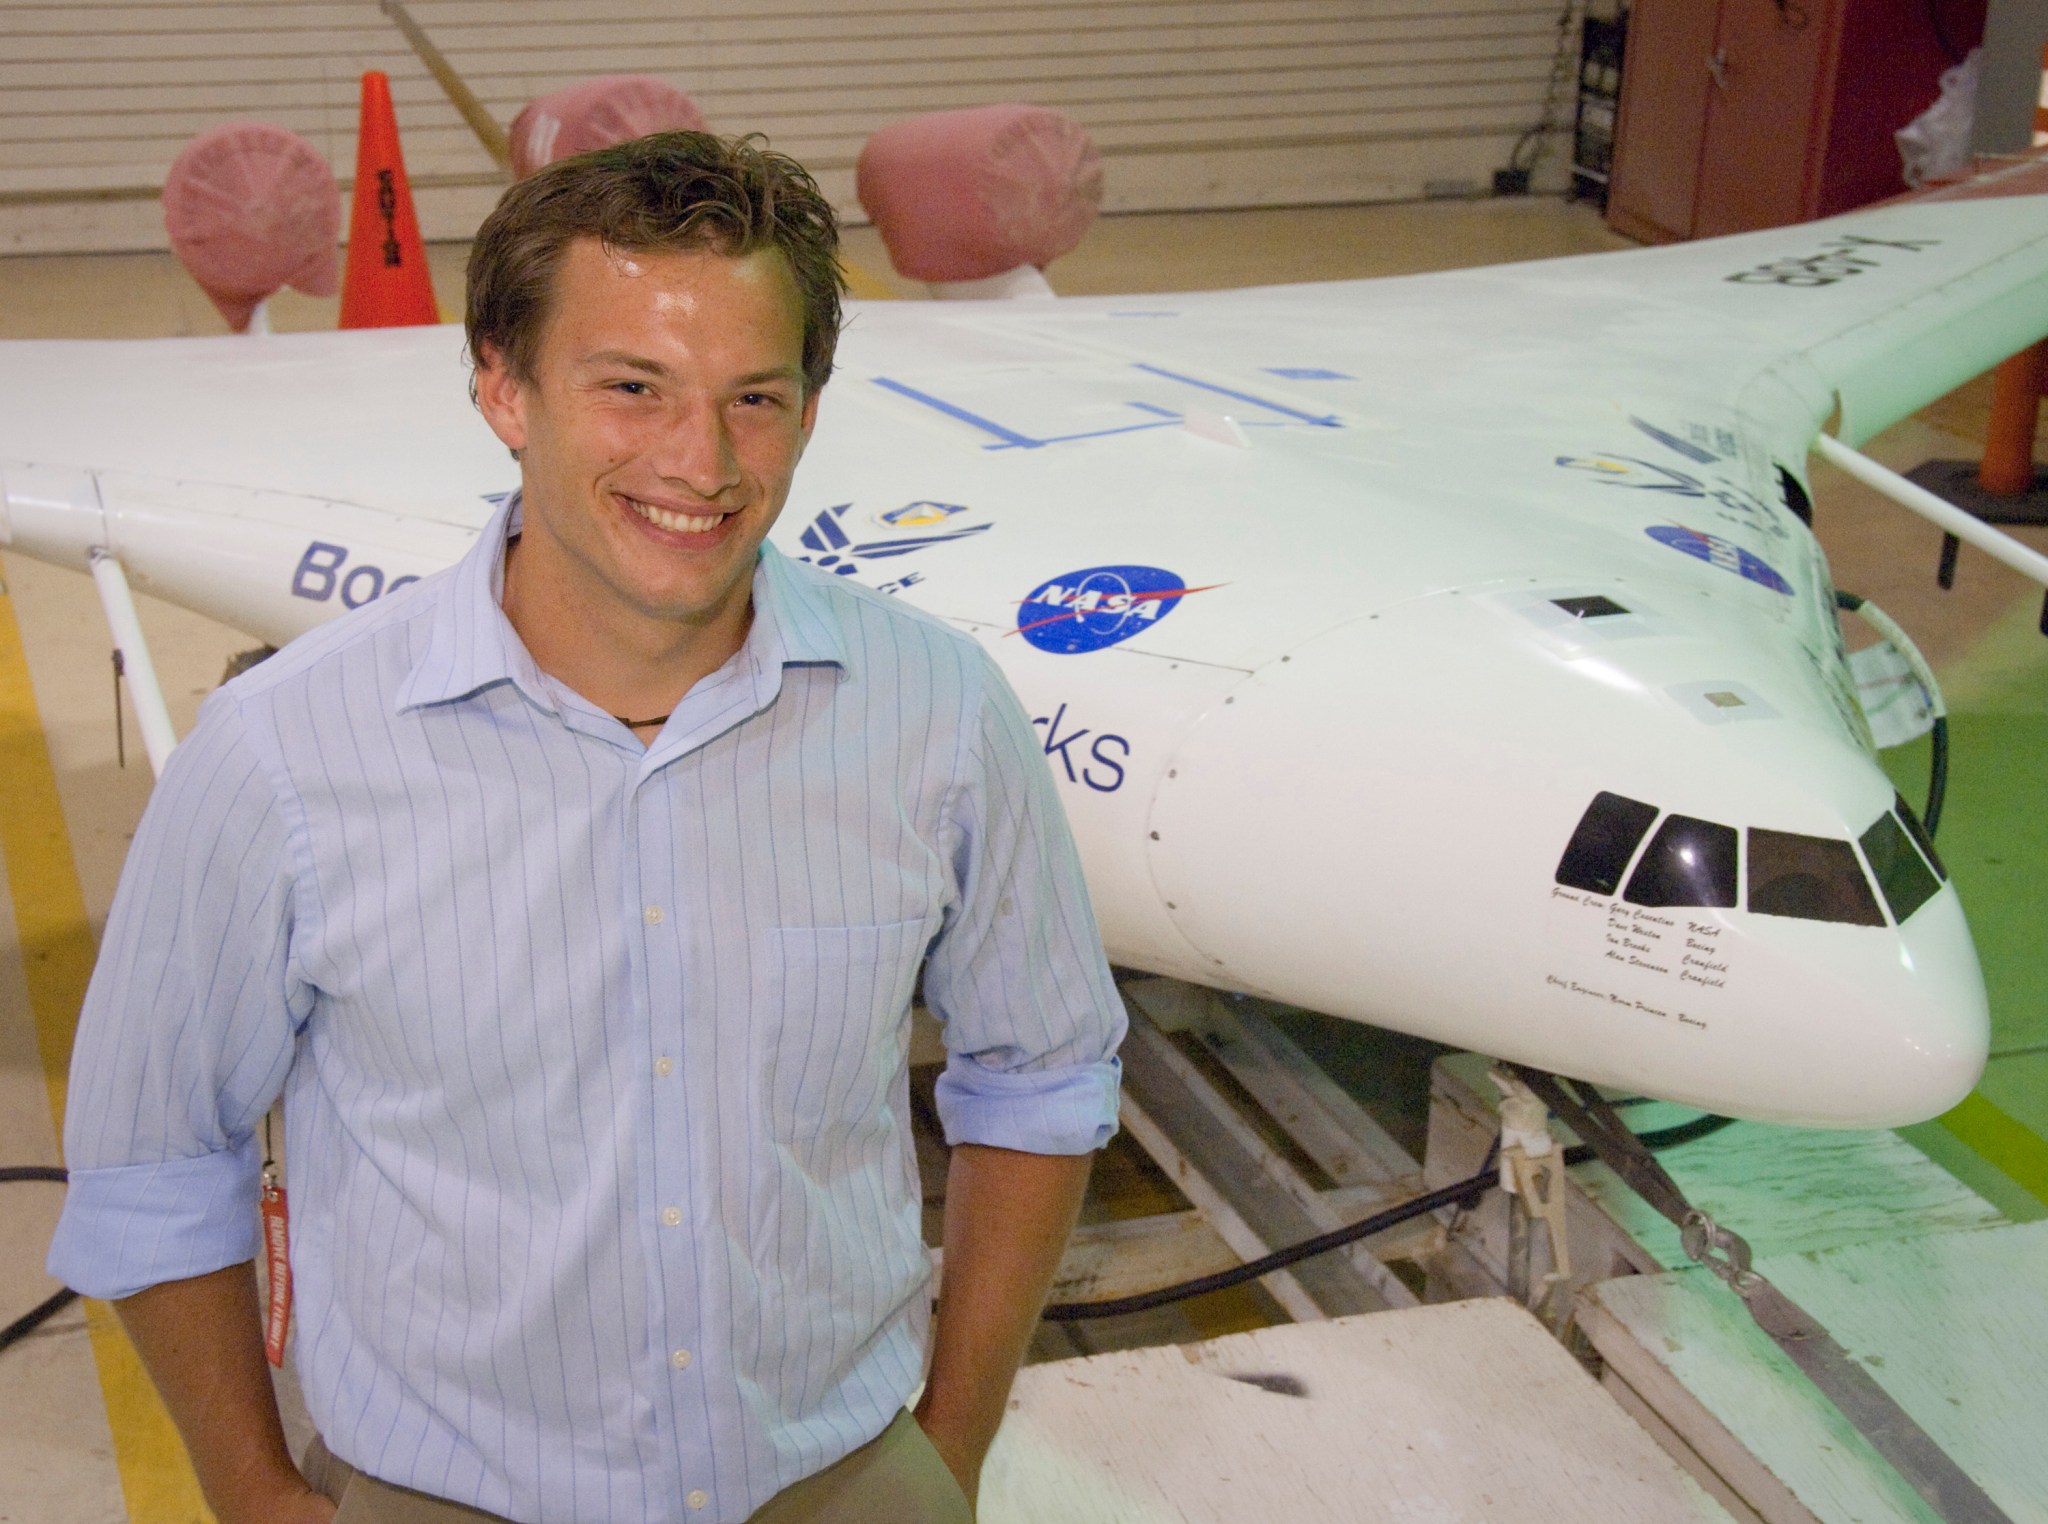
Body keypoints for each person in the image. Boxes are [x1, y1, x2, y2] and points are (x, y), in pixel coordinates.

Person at [49, 132, 1125, 1524]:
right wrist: (254, 1493)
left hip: (840, 1474)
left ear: (809, 409)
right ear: (503, 384)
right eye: (633, 388)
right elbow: (152, 1159)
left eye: (756, 395)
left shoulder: (937, 710)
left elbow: (1038, 1075)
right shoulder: (283, 755)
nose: (702, 460)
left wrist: (952, 1450)